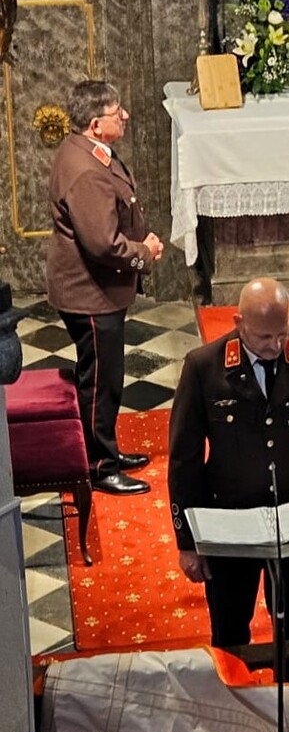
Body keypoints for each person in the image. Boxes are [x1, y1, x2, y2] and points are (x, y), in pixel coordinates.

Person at [168, 277, 289, 679]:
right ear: (238, 323)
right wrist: (188, 542)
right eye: (263, 337)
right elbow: (185, 462)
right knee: (230, 636)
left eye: (282, 333)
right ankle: (234, 704)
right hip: (230, 525)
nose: (275, 345)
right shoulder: (204, 367)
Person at [46, 80, 164, 496]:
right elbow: (103, 245)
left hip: (96, 290)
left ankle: (106, 449)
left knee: (105, 376)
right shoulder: (85, 172)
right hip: (90, 294)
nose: (125, 116)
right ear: (95, 124)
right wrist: (145, 254)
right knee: (100, 381)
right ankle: (99, 466)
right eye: (117, 112)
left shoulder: (88, 151)